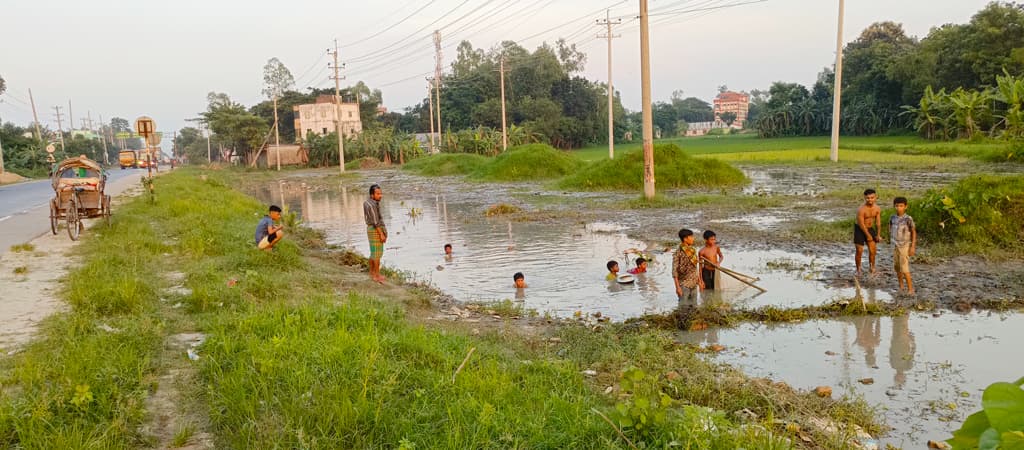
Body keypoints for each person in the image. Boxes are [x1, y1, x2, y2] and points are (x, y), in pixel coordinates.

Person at [889, 196, 917, 295]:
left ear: (905, 207)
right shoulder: (892, 217)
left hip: (904, 245)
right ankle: (901, 286)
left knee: (904, 268)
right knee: (897, 267)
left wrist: (912, 246)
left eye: (901, 206)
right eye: (896, 206)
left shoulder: (908, 219)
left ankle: (910, 289)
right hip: (895, 245)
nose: (898, 208)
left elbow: (913, 232)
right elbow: (891, 228)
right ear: (894, 206)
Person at [855, 188, 882, 276]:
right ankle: (858, 270)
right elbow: (861, 224)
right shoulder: (861, 209)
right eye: (868, 198)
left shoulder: (877, 208)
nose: (870, 200)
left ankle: (872, 268)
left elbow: (878, 222)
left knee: (872, 250)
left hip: (870, 229)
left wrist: (878, 235)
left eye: (872, 197)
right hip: (860, 229)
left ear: (875, 197)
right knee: (859, 250)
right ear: (864, 198)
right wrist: (868, 235)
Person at [363, 184, 388, 283]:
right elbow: (375, 222)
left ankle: (372, 273)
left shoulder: (367, 203)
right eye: (377, 194)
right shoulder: (372, 205)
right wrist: (381, 234)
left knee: (373, 253)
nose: (380, 195)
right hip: (375, 229)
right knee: (377, 254)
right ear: (372, 195)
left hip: (370, 229)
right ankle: (376, 275)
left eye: (380, 193)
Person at [673, 228, 703, 304]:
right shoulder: (678, 253)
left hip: (693, 283)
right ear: (685, 239)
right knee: (683, 307)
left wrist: (699, 282)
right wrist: (677, 288)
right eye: (691, 237)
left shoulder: (692, 251)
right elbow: (674, 271)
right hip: (684, 284)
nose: (693, 238)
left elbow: (695, 268)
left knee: (694, 306)